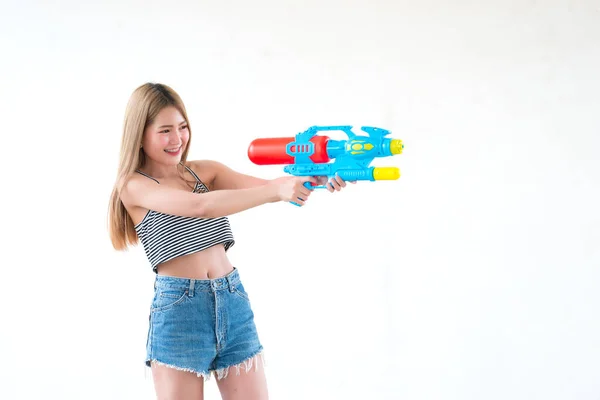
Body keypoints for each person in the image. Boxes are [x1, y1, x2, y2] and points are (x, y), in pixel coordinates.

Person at [107, 82, 352, 400]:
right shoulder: (134, 186)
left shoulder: (203, 172)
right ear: (140, 134)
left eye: (182, 127)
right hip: (180, 311)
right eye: (165, 130)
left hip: (232, 299)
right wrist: (277, 190)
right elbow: (201, 206)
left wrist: (318, 178)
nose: (178, 138)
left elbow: (269, 185)